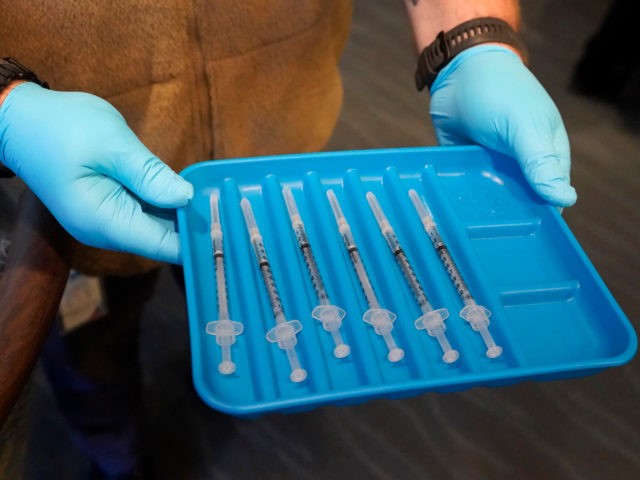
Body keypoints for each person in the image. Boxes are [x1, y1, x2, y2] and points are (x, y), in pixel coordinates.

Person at [0, 1, 576, 478]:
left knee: (251, 292)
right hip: (66, 175)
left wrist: (474, 41)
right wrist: (8, 108)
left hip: (277, 174)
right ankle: (112, 444)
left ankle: (218, 391)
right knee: (91, 336)